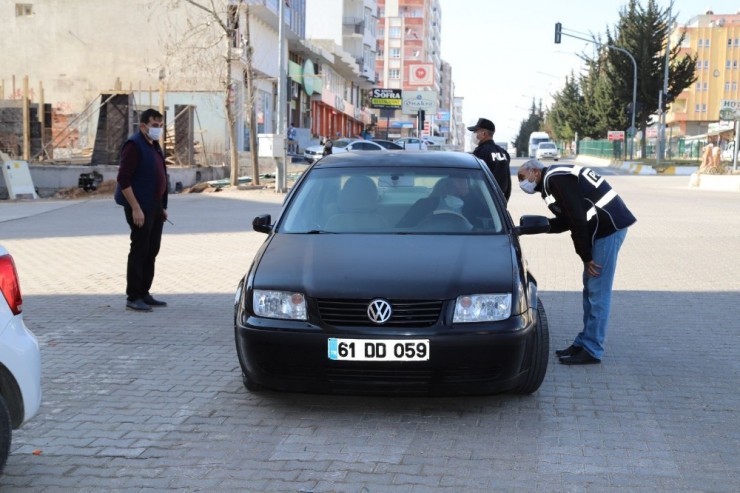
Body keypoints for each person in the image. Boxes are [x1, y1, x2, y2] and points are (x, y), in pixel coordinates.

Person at [517, 159, 636, 365]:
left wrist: (586, 256)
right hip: (600, 229)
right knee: (590, 289)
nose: (521, 183)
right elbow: (567, 219)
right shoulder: (552, 181)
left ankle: (592, 349)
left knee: (598, 291)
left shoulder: (555, 178)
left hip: (608, 228)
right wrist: (534, 228)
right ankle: (584, 341)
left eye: (522, 177)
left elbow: (578, 221)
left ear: (534, 171)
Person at [114, 108, 169, 312]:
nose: (158, 129)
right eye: (155, 126)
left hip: (154, 206)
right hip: (139, 206)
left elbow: (161, 174)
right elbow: (124, 179)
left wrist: (162, 206)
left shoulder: (154, 146)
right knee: (140, 249)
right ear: (143, 125)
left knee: (152, 249)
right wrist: (136, 208)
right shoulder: (133, 145)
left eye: (161, 126)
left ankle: (145, 292)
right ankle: (134, 295)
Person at [468, 118, 511, 201]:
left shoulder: (480, 152)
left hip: (483, 200)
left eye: (476, 131)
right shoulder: (504, 153)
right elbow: (508, 182)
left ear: (484, 134)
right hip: (498, 202)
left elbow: (474, 180)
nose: (474, 134)